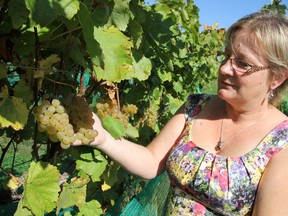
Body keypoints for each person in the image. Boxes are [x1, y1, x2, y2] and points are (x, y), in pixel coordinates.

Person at [72, 10, 288, 215]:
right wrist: (103, 139)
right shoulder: (196, 107)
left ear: (277, 77)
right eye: (226, 56)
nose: (224, 68)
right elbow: (151, 160)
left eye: (242, 63)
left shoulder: (281, 142)